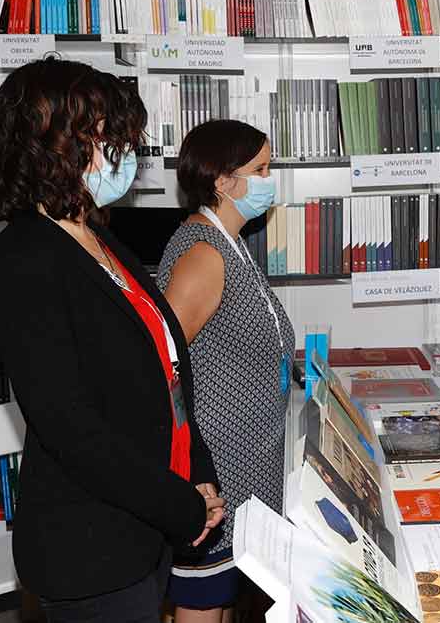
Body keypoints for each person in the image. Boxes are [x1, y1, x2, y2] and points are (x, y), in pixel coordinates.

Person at [0, 58, 225, 622]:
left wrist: (199, 475)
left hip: (146, 527)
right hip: (90, 544)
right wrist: (181, 506)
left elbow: (168, 377)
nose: (124, 153)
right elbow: (73, 429)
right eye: (106, 137)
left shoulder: (100, 238)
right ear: (53, 146)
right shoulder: (25, 261)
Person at [158, 120, 295, 623]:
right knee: (202, 602)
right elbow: (162, 369)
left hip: (245, 465)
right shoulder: (202, 254)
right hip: (215, 471)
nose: (269, 178)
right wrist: (192, 473)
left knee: (222, 601)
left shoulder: (229, 242)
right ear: (222, 181)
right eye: (260, 169)